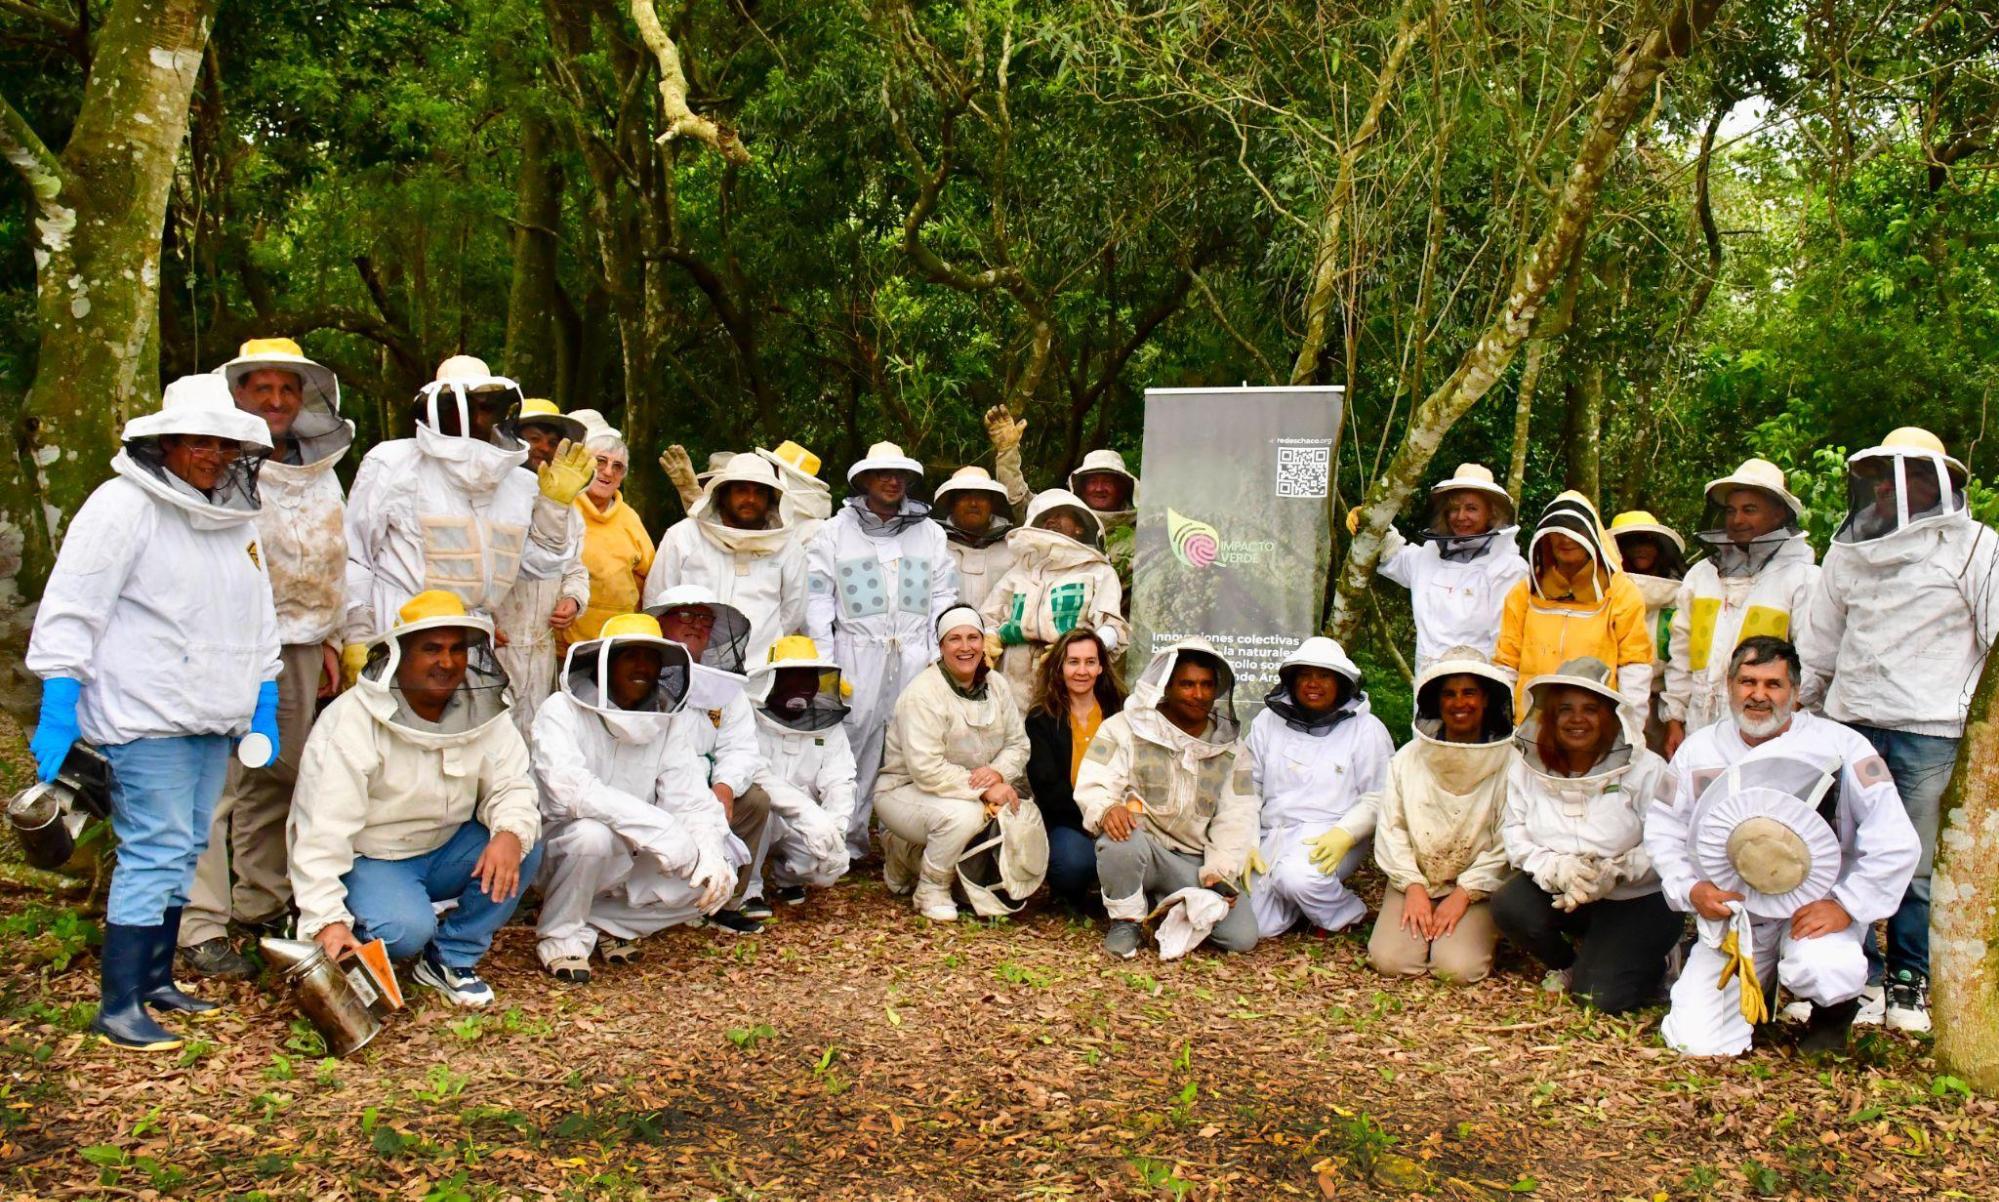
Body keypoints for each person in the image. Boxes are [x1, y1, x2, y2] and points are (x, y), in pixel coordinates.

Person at [27, 375, 281, 1051]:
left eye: (224, 443)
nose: (214, 455)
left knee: (188, 847)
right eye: (200, 441)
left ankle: (155, 981)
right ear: (164, 442)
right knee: (154, 849)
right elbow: (74, 605)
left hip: (214, 717)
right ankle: (119, 1005)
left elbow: (257, 616)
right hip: (145, 716)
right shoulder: (121, 507)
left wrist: (264, 697)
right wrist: (60, 698)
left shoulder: (236, 522)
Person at [1797, 427, 1999, 1033]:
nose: (1889, 488)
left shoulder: (1976, 547)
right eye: (1881, 477)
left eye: (1906, 475)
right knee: (1840, 855)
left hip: (1931, 728)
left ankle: (1910, 982)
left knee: (1912, 862)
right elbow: (1821, 641)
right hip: (1851, 724)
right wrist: (1802, 716)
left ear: (1936, 482)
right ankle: (1866, 975)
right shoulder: (1847, 551)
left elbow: (1996, 638)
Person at [1646, 637, 1919, 1055]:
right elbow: (1664, 827)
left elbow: (1895, 839)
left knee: (1827, 968)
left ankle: (1833, 1015)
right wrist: (1690, 889)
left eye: (1773, 684)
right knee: (1696, 1042)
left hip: (1811, 909)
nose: (1758, 695)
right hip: (1737, 918)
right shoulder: (1699, 749)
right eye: (1747, 682)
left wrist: (1846, 905)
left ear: (1794, 690)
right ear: (1729, 685)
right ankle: (1759, 991)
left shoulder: (1842, 746)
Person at [178, 339, 350, 979]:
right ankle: (199, 925)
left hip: (301, 645)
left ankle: (260, 904)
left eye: (287, 389)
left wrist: (334, 637)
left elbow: (335, 551)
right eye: (262, 389)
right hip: (220, 646)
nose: (277, 402)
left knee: (278, 777)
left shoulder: (320, 468)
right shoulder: (210, 465)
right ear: (237, 396)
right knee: (215, 786)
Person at [288, 591, 542, 1008]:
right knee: (404, 931)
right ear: (399, 656)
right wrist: (325, 919)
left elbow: (512, 784)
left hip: (446, 848)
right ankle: (346, 933)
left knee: (524, 844)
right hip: (373, 857)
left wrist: (510, 834)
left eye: (457, 649)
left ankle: (451, 958)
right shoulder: (351, 722)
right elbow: (321, 829)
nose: (447, 662)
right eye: (431, 649)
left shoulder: (485, 711)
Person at [341, 356, 588, 680]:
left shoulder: (518, 481)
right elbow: (355, 555)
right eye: (461, 406)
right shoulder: (393, 463)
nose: (471, 417)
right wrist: (357, 634)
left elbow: (535, 565)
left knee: (468, 730)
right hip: (402, 631)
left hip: (475, 641)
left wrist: (554, 507)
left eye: (484, 408)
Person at [531, 613, 739, 982]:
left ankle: (601, 922)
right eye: (631, 656)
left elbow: (690, 798)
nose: (643, 666)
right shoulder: (560, 710)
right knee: (591, 834)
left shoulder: (667, 721)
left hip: (634, 853)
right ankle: (561, 936)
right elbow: (571, 790)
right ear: (604, 661)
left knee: (717, 876)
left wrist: (709, 849)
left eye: (652, 658)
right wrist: (661, 829)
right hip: (561, 851)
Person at [1492, 657, 1682, 1014]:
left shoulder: (1648, 770)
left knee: (1599, 1000)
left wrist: (1616, 872)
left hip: (1637, 899)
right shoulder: (1524, 768)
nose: (1577, 719)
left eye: (1590, 709)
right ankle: (1571, 964)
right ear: (1549, 716)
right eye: (1565, 709)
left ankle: (1656, 962)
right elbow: (1516, 835)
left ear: (1610, 716)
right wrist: (1557, 869)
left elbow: (1668, 841)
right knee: (1509, 905)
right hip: (1565, 891)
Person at [806, 441, 959, 859]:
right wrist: (825, 666)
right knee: (852, 744)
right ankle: (845, 840)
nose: (892, 481)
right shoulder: (833, 532)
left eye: (899, 475)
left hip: (914, 654)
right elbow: (818, 600)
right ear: (864, 480)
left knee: (917, 743)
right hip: (855, 653)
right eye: (882, 474)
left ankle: (904, 844)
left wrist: (936, 654)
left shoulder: (930, 534)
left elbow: (943, 597)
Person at [1075, 639, 1259, 958]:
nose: (1198, 694)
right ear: (1167, 686)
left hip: (1195, 861)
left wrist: (1220, 870)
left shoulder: (1233, 750)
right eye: (1187, 684)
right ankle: (1127, 920)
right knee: (1119, 838)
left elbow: (1238, 815)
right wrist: (1107, 810)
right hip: (1141, 846)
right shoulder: (1123, 728)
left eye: (1205, 685)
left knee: (1241, 936)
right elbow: (1094, 782)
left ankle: (1166, 902)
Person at [875, 608, 1042, 920]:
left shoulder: (997, 684)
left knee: (1019, 814)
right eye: (955, 639)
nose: (965, 647)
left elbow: (1018, 744)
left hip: (968, 790)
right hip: (905, 792)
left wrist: (998, 773)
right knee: (965, 816)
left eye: (972, 638)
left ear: (982, 642)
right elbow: (926, 769)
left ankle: (906, 854)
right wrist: (982, 791)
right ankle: (931, 887)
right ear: (941, 646)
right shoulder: (923, 694)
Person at [1363, 648, 1517, 984]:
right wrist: (1414, 886)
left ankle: (1476, 931)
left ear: (1487, 699)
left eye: (1469, 693)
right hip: (1415, 879)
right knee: (1390, 961)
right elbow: (1392, 829)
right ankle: (1429, 929)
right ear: (1437, 702)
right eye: (1449, 694)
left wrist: (1464, 894)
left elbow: (1509, 842)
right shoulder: (1407, 759)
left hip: (1478, 886)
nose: (1459, 703)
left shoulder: (1510, 763)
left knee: (1457, 969)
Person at [1662, 459, 1819, 757]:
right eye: (1731, 511)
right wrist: (1674, 718)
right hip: (1700, 724)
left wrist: (1788, 723)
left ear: (1778, 514)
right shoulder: (1701, 575)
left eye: (1750, 510)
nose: (1737, 520)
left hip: (1768, 729)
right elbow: (1681, 652)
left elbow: (1812, 663)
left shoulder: (1802, 578)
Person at [1239, 638, 1394, 939]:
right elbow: (1247, 786)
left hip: (1331, 834)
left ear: (1341, 683)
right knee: (1258, 926)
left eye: (1324, 676)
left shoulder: (1367, 729)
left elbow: (1380, 795)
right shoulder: (1266, 722)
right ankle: (1304, 905)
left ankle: (1346, 913)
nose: (1313, 683)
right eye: (1305, 675)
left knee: (1296, 877)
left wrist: (1345, 834)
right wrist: (1247, 841)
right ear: (1292, 681)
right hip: (1273, 832)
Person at [653, 584, 772, 933]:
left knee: (754, 800)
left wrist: (724, 785)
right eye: (686, 615)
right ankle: (633, 909)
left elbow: (740, 745)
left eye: (705, 619)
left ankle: (723, 902)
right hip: (655, 787)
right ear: (661, 623)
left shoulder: (725, 688)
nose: (697, 625)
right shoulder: (639, 671)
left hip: (705, 784)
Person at [1494, 492, 1654, 715]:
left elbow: (1634, 665)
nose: (1566, 539)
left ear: (1591, 535)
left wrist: (1630, 727)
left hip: (1594, 725)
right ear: (1546, 536)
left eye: (1576, 531)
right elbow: (1507, 662)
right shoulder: (1523, 591)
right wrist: (1502, 716)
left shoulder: (1621, 591)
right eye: (1559, 531)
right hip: (1531, 724)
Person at [490, 399, 593, 737]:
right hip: (496, 643)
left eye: (552, 442)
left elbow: (575, 568)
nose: (543, 449)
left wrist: (573, 601)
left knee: (537, 738)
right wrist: (477, 614)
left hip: (541, 647)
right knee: (492, 738)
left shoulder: (570, 510)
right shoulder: (491, 496)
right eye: (534, 438)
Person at [646, 451, 806, 666]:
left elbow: (793, 611)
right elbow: (657, 599)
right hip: (688, 668)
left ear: (771, 499)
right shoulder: (683, 536)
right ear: (724, 494)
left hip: (758, 672)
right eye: (741, 490)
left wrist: (761, 644)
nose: (750, 499)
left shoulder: (789, 547)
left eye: (759, 492)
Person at [1364, 463, 1529, 670]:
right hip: (1427, 681)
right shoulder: (1429, 555)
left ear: (1492, 513)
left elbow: (1508, 643)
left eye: (1471, 508)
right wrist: (1371, 524)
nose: (1461, 517)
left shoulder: (1508, 568)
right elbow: (1394, 556)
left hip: (1478, 684)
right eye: (1454, 509)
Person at [981, 489, 1130, 700]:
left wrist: (1078, 652)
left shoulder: (1098, 571)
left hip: (1068, 675)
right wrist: (989, 638)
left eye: (1060, 514)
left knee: (1061, 731)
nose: (1051, 520)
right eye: (1045, 517)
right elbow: (990, 615)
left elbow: (1113, 628)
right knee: (1011, 730)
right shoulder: (1020, 570)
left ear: (1079, 527)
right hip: (1012, 671)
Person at [743, 637, 858, 906]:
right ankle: (749, 890)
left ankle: (789, 879)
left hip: (805, 820)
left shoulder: (828, 726)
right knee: (758, 804)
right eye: (793, 677)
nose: (803, 686)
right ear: (773, 680)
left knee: (823, 867)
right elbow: (755, 774)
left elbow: (840, 779)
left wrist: (835, 830)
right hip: (761, 818)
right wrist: (810, 816)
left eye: (809, 678)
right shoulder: (749, 718)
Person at [985, 406, 1139, 599]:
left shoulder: (1141, 535)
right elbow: (1020, 501)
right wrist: (1008, 453)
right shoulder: (1057, 516)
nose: (1099, 488)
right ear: (1080, 486)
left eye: (1107, 482)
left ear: (1123, 488)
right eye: (1092, 482)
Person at [1024, 629, 1125, 909]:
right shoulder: (1041, 719)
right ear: (1060, 667)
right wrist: (1096, 822)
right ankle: (1073, 890)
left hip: (1120, 813)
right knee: (1072, 865)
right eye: (1073, 662)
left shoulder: (1121, 712)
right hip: (1070, 820)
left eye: (1090, 662)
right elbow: (1049, 790)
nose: (1082, 671)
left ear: (1101, 666)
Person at [1609, 510, 1687, 753]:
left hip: (1664, 709)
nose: (1640, 549)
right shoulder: (1602, 595)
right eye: (1631, 542)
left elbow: (1682, 661)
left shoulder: (1680, 598)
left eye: (1647, 541)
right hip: (1611, 704)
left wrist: (1674, 717)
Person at [570, 426, 656, 644]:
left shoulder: (631, 519)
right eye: (600, 461)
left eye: (617, 467)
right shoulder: (563, 508)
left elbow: (650, 580)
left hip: (617, 646)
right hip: (562, 644)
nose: (608, 471)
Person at [934, 466, 1017, 610]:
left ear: (992, 503)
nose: (973, 503)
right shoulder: (934, 546)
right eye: (964, 496)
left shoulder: (1013, 546)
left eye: (981, 496)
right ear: (952, 503)